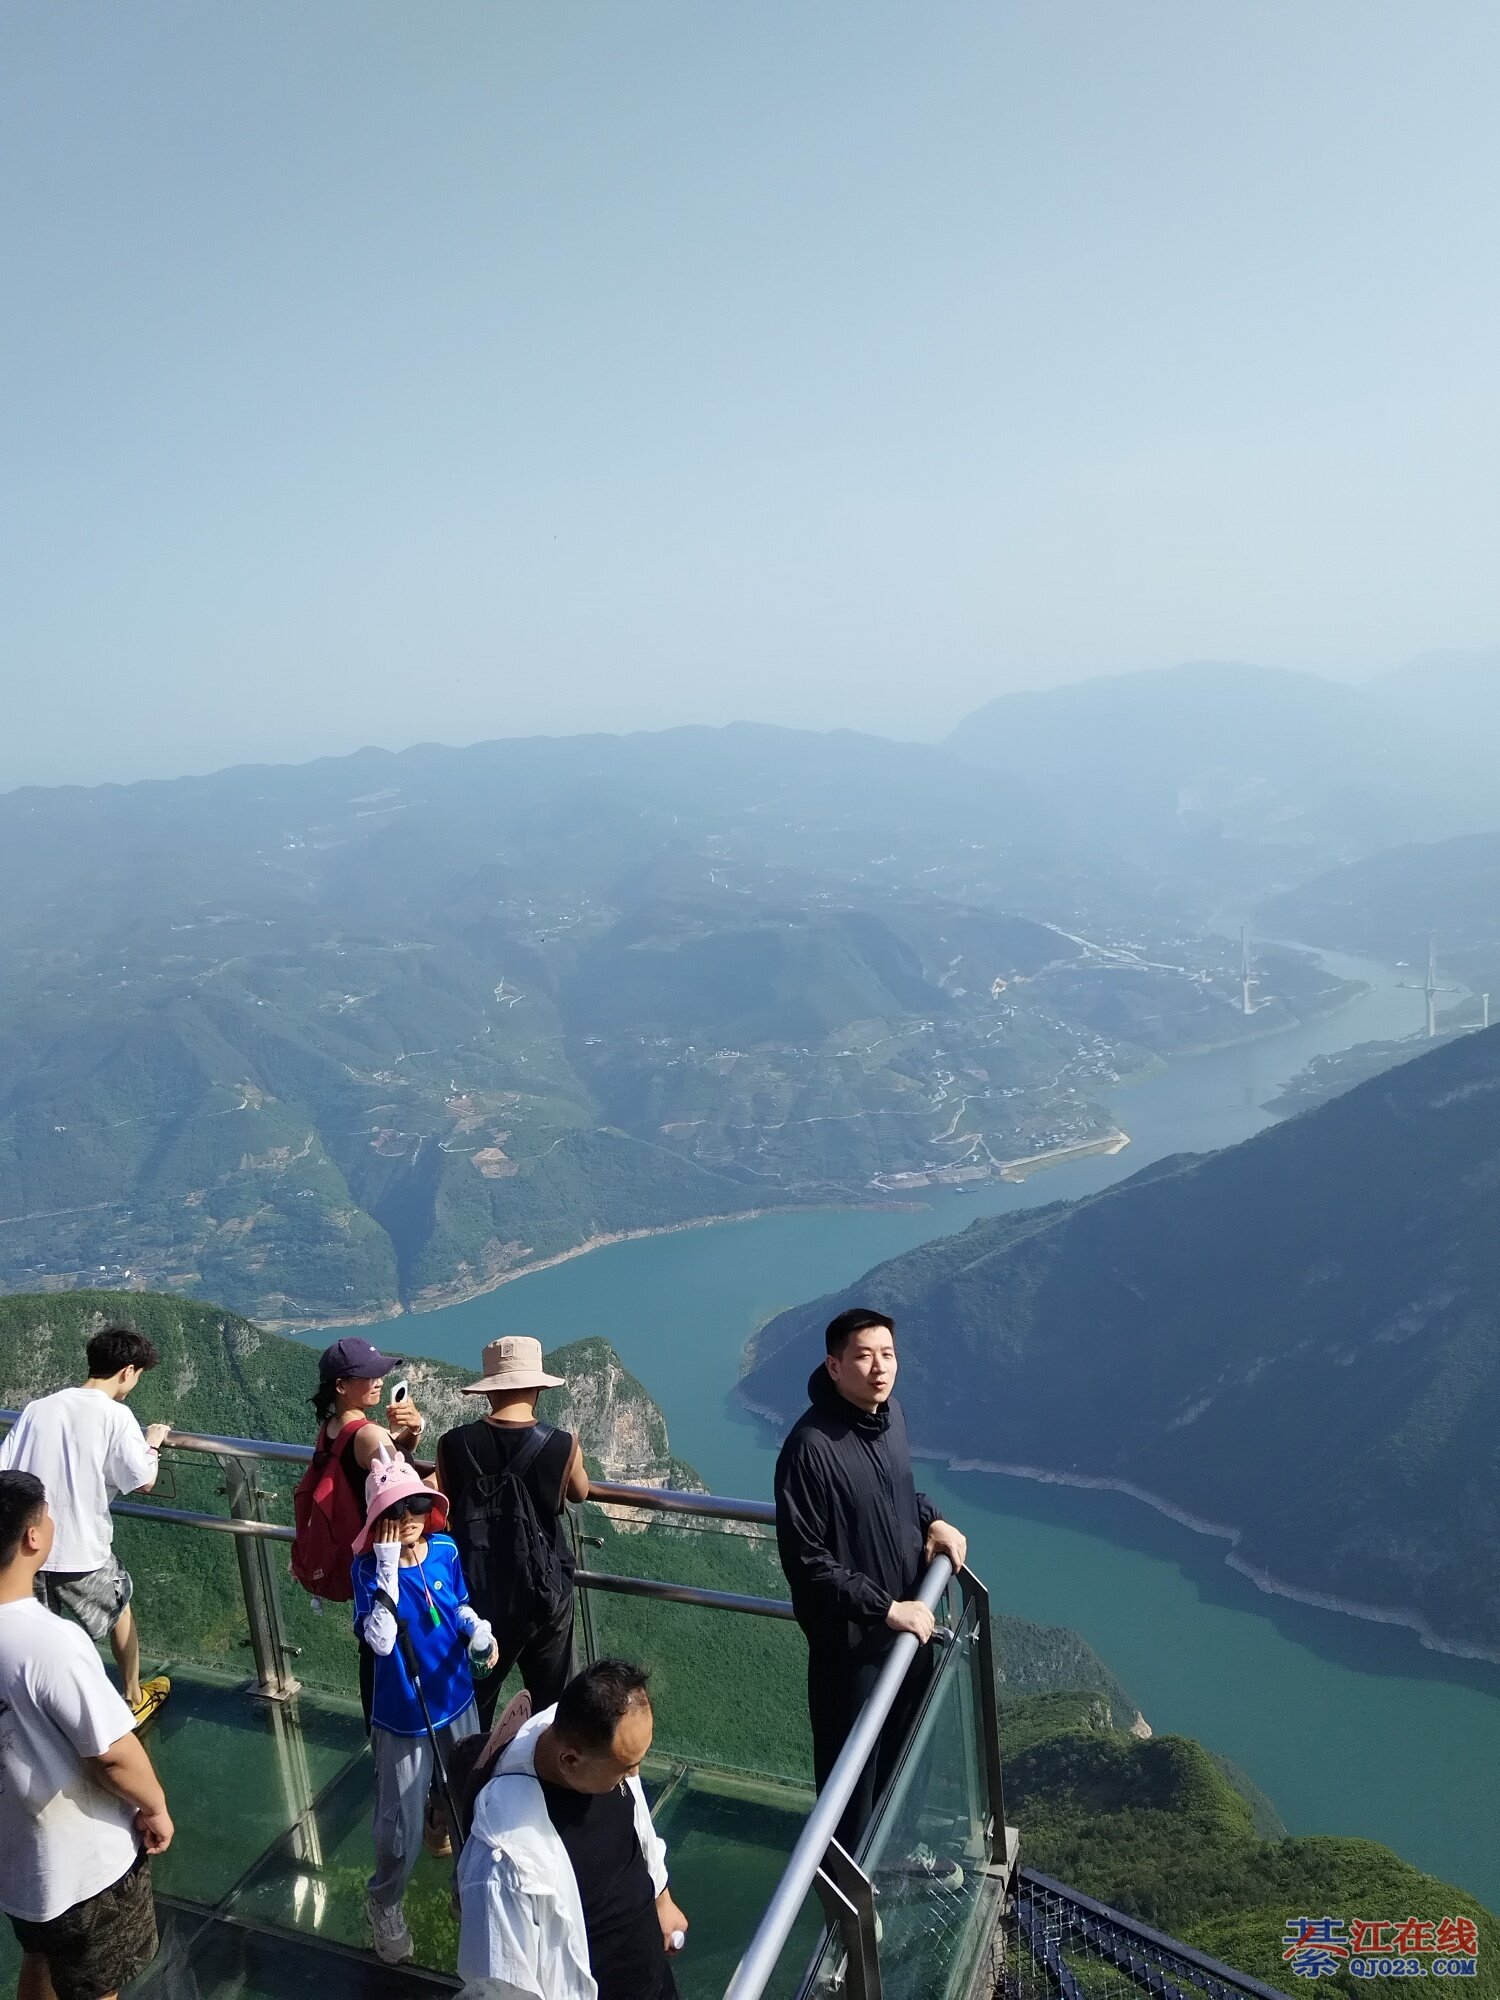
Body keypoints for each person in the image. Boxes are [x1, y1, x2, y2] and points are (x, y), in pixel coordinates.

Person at [774, 1307, 968, 1855]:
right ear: (834, 1366)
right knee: (852, 1783)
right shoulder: (810, 1447)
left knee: (906, 1762)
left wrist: (931, 1518)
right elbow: (806, 1561)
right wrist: (885, 1607)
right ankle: (843, 1889)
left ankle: (897, 1860)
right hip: (852, 1650)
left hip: (909, 1630)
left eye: (888, 1354)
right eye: (863, 1356)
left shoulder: (891, 1418)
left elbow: (894, 1493)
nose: (880, 1367)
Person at [0, 1470, 174, 2000]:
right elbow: (111, 1755)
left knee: (41, 1956)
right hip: (82, 1863)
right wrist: (155, 1806)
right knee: (97, 1984)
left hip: (17, 1857)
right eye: (48, 1515)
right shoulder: (49, 1642)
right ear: (33, 1537)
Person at [455, 1658, 689, 2000]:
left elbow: (637, 1823)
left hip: (654, 1977)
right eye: (626, 1766)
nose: (635, 1775)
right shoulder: (502, 1863)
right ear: (569, 1760)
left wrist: (661, 1896)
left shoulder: (588, 1736)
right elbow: (504, 1987)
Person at [351, 1457, 498, 1966]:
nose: (409, 1517)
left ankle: (467, 1889)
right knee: (401, 1826)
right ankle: (384, 1902)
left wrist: (477, 1630)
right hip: (403, 1717)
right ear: (378, 1519)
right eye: (395, 1509)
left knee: (467, 1806)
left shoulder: (445, 1550)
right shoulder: (366, 1570)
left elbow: (457, 1604)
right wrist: (387, 1566)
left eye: (416, 1504)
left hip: (456, 1700)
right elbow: (379, 1640)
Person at [0, 1325, 173, 1726]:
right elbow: (143, 1480)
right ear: (128, 1371)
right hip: (82, 1549)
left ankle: (41, 1713)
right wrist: (152, 1443)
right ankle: (132, 1696)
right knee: (120, 1606)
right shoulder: (116, 1415)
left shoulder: (38, 1408)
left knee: (39, 1633)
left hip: (27, 1549)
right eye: (138, 1375)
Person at [435, 1336, 589, 1727]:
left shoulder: (452, 1444)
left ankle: (470, 1758)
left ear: (489, 1390)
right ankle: (543, 1762)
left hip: (478, 1592)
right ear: (537, 1387)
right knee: (551, 1708)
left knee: (475, 1701)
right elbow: (580, 1492)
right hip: (544, 1591)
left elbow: (443, 1501)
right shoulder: (563, 1445)